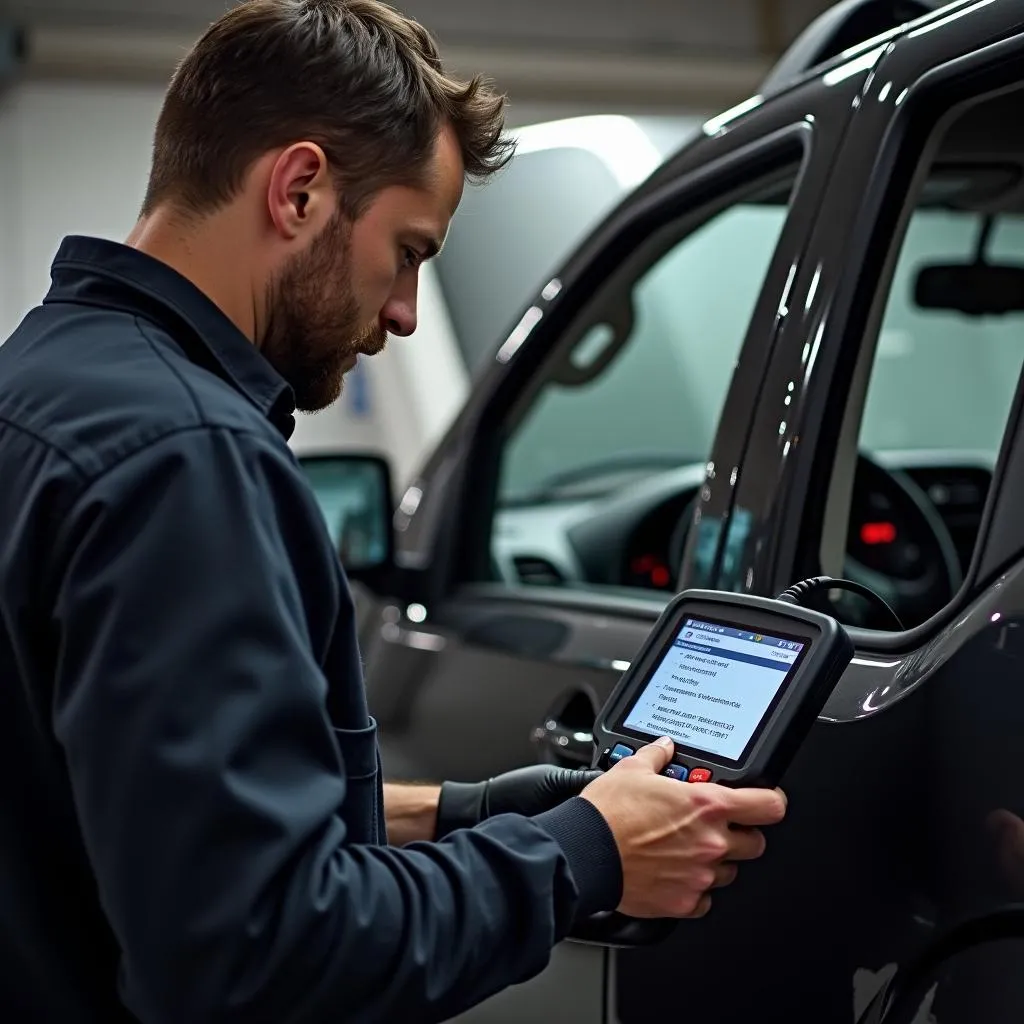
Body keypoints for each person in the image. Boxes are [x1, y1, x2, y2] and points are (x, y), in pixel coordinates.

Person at [0, 1, 788, 1021]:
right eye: (409, 250)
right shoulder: (190, 464)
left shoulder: (42, 383)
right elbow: (258, 959)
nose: (405, 310)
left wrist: (466, 813)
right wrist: (585, 853)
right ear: (298, 190)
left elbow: (122, 811)